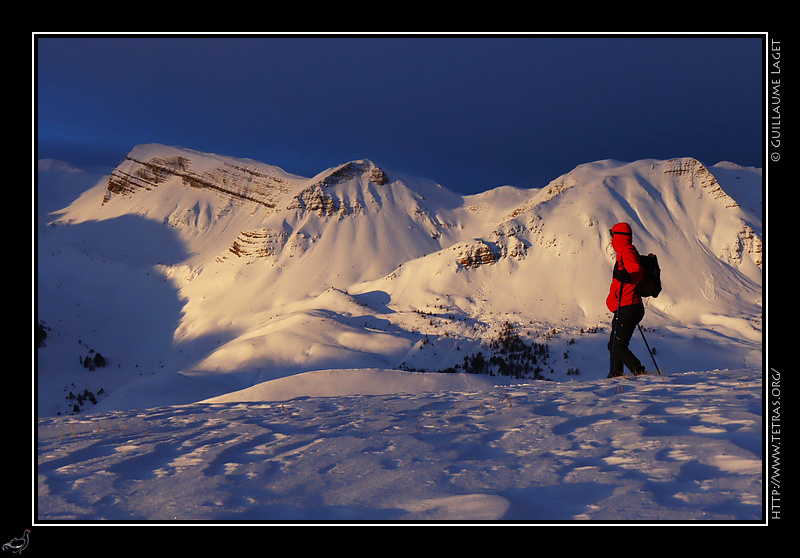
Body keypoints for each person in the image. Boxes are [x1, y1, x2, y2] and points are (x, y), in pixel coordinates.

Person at [606, 222, 647, 377]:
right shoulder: (623, 252)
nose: (611, 238)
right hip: (624, 305)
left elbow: (638, 272)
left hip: (629, 305)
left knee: (617, 346)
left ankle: (640, 372)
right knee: (615, 345)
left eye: (612, 234)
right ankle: (615, 377)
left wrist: (629, 277)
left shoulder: (627, 251)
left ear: (619, 236)